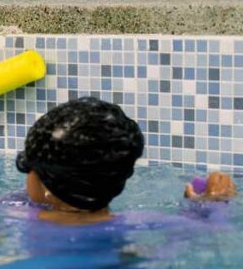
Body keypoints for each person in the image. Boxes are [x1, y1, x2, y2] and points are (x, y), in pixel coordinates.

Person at [15, 96, 235, 225]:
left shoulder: (17, 219)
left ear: (44, 187)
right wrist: (207, 205)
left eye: (27, 167)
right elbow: (199, 231)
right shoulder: (142, 222)